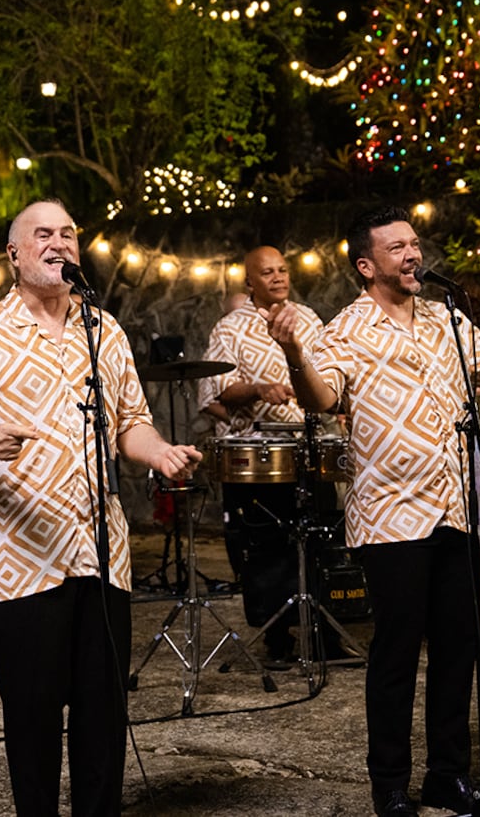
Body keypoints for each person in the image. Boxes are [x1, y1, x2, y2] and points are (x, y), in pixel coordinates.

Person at [263, 204, 480, 817]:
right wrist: (295, 351)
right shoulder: (345, 328)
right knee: (398, 651)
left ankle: (446, 777)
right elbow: (322, 396)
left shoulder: (446, 320)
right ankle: (390, 786)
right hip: (391, 517)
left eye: (415, 243)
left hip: (452, 510)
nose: (412, 253)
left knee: (459, 646)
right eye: (396, 247)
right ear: (367, 265)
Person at [0, 199, 202, 817]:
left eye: (69, 234)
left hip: (100, 555)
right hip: (18, 562)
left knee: (102, 713)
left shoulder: (103, 331)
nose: (59, 243)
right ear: (15, 254)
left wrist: (158, 453)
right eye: (43, 234)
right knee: (32, 717)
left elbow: (130, 422)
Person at [197, 246, 328, 666]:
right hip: (258, 453)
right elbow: (216, 390)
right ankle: (277, 635)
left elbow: (329, 374)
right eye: (267, 272)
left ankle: (324, 627)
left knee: (323, 533)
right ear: (249, 281)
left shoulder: (309, 320)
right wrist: (258, 389)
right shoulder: (229, 328)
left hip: (308, 445)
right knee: (267, 544)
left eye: (282, 270)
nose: (277, 277)